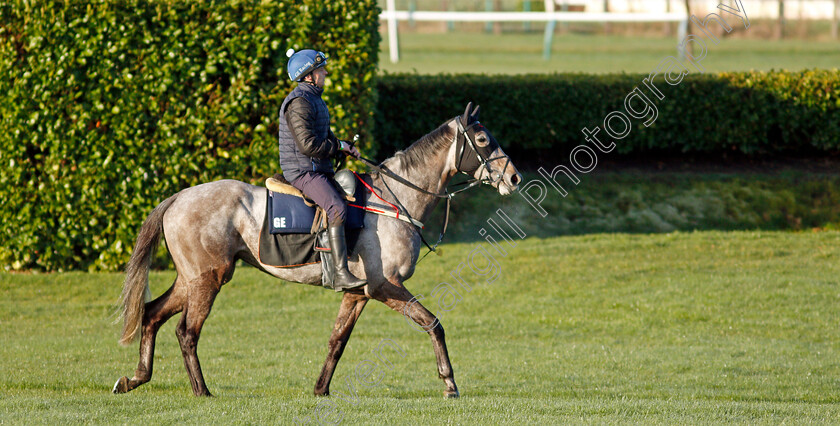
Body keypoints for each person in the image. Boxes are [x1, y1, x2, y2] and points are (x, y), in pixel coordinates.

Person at [278, 48, 365, 291]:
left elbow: (324, 136)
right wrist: (337, 145)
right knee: (336, 206)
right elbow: (308, 145)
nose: (325, 72)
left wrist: (343, 147)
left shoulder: (314, 98)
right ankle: (340, 274)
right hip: (302, 171)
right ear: (308, 76)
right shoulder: (299, 103)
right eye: (320, 69)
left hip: (316, 167)